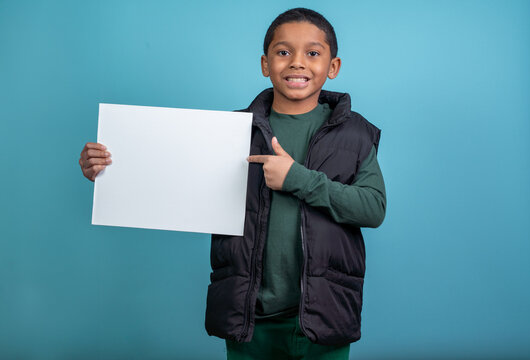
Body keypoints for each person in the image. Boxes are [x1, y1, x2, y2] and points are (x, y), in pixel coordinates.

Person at [79, 7, 386, 360]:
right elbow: (171, 179)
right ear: (265, 64)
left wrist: (297, 179)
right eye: (283, 52)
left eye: (313, 53)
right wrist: (106, 169)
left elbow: (373, 207)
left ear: (333, 67)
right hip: (249, 317)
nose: (297, 63)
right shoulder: (230, 132)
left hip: (324, 316)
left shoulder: (355, 134)